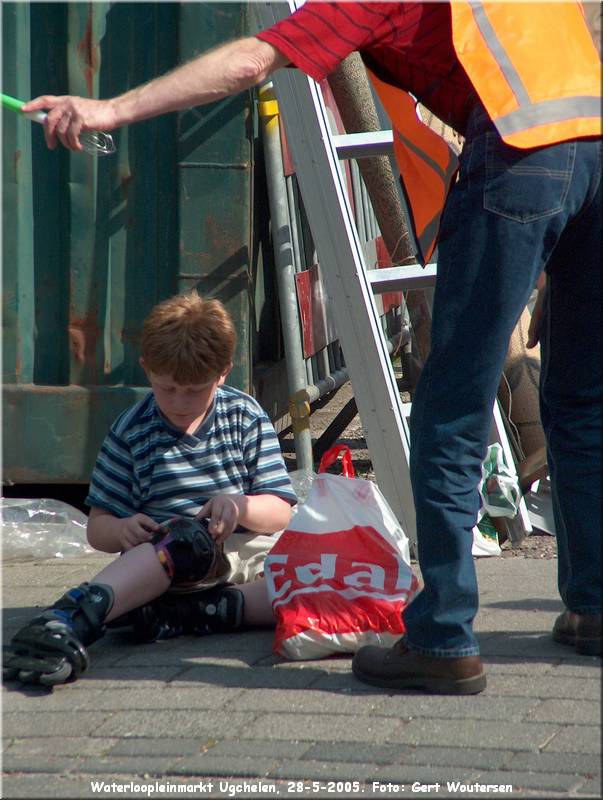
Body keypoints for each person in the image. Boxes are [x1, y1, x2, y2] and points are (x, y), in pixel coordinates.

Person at [18, 2, 601, 693]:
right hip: (594, 154)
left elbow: (247, 62)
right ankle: (593, 609)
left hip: (517, 160)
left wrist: (110, 110)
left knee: (451, 407)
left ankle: (442, 635)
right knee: (582, 399)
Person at [4, 291, 296, 685]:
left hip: (242, 559)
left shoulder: (245, 416)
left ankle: (194, 613)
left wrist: (241, 506)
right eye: (166, 388)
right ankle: (68, 619)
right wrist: (122, 530)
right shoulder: (131, 431)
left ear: (223, 372)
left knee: (305, 585)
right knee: (182, 541)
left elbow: (282, 510)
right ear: (146, 369)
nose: (179, 401)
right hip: (163, 566)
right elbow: (98, 528)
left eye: (194, 390)